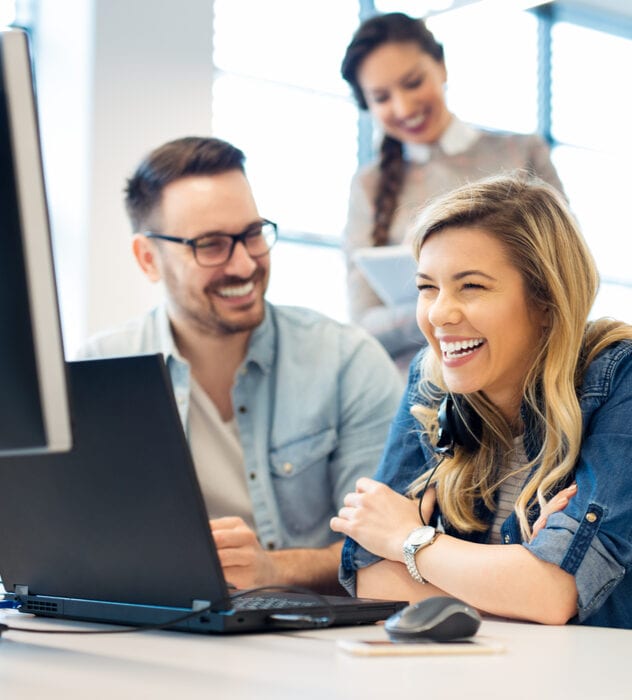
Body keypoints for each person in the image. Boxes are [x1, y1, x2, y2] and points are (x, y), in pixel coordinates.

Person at [77, 136, 403, 594]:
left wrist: (274, 569)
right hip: (150, 634)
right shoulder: (96, 373)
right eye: (211, 245)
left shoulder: (348, 361)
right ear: (148, 259)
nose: (245, 263)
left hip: (309, 645)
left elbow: (386, 547)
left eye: (252, 234)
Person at [330, 173, 632, 629]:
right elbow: (373, 580)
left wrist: (408, 540)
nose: (438, 313)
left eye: (471, 286)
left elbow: (551, 595)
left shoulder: (618, 379)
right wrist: (516, 575)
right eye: (427, 287)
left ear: (546, 300)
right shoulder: (431, 380)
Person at [340, 11, 565, 368]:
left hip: (525, 375)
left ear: (441, 66)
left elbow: (566, 276)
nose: (403, 107)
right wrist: (453, 303)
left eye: (413, 82)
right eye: (382, 97)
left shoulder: (521, 154)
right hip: (419, 393)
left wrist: (423, 302)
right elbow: (363, 323)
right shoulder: (368, 187)